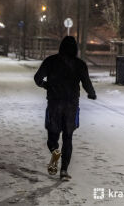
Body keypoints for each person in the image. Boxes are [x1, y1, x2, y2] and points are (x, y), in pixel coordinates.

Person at [34, 36, 96, 180]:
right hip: (71, 106)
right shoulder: (80, 64)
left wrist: (46, 85)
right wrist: (92, 94)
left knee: (52, 137)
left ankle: (55, 151)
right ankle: (63, 171)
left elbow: (37, 79)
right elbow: (86, 82)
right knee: (68, 138)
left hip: (54, 104)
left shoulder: (50, 61)